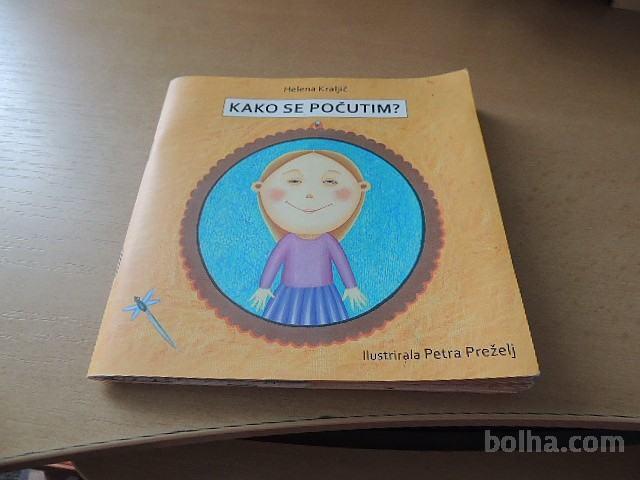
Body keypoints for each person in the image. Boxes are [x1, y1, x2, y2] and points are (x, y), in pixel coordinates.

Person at [250, 150, 371, 326]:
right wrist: (264, 287)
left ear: (361, 188)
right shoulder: (289, 241)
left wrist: (351, 287)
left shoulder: (327, 241)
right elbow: (274, 262)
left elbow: (341, 262)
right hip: (290, 292)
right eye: (293, 181)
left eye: (330, 181)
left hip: (324, 292)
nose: (310, 194)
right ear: (260, 188)